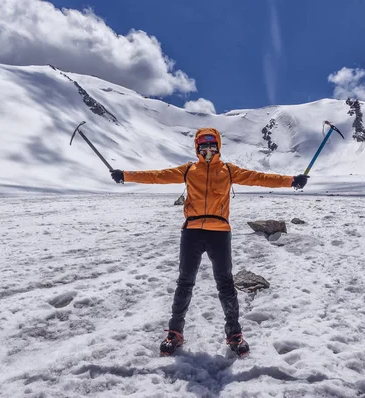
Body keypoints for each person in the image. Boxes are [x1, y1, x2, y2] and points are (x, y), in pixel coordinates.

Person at [110, 127, 309, 357]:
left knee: (225, 285)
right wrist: (125, 175)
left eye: (211, 145)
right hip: (192, 231)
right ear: (197, 148)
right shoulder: (188, 170)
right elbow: (157, 175)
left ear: (218, 147)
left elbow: (260, 178)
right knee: (185, 283)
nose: (207, 149)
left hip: (219, 232)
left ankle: (234, 335)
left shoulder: (229, 171)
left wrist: (291, 181)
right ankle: (175, 333)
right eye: (203, 146)